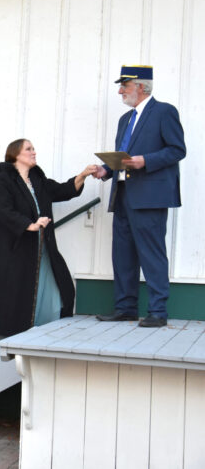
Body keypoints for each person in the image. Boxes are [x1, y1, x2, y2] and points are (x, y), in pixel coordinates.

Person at [0, 140, 96, 349]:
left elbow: (63, 190)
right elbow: (2, 210)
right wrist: (29, 225)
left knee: (56, 295)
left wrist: (83, 175)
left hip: (40, 250)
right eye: (29, 149)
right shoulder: (4, 180)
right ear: (15, 154)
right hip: (12, 252)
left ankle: (43, 344)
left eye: (33, 148)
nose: (34, 152)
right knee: (12, 303)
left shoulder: (37, 179)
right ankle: (4, 353)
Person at [94, 65, 186, 327]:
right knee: (122, 253)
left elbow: (177, 150)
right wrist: (106, 169)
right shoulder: (125, 119)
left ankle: (158, 311)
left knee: (151, 253)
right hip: (123, 193)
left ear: (141, 86)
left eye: (125, 86)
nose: (120, 91)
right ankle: (125, 308)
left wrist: (146, 160)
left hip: (150, 195)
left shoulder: (164, 112)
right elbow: (123, 155)